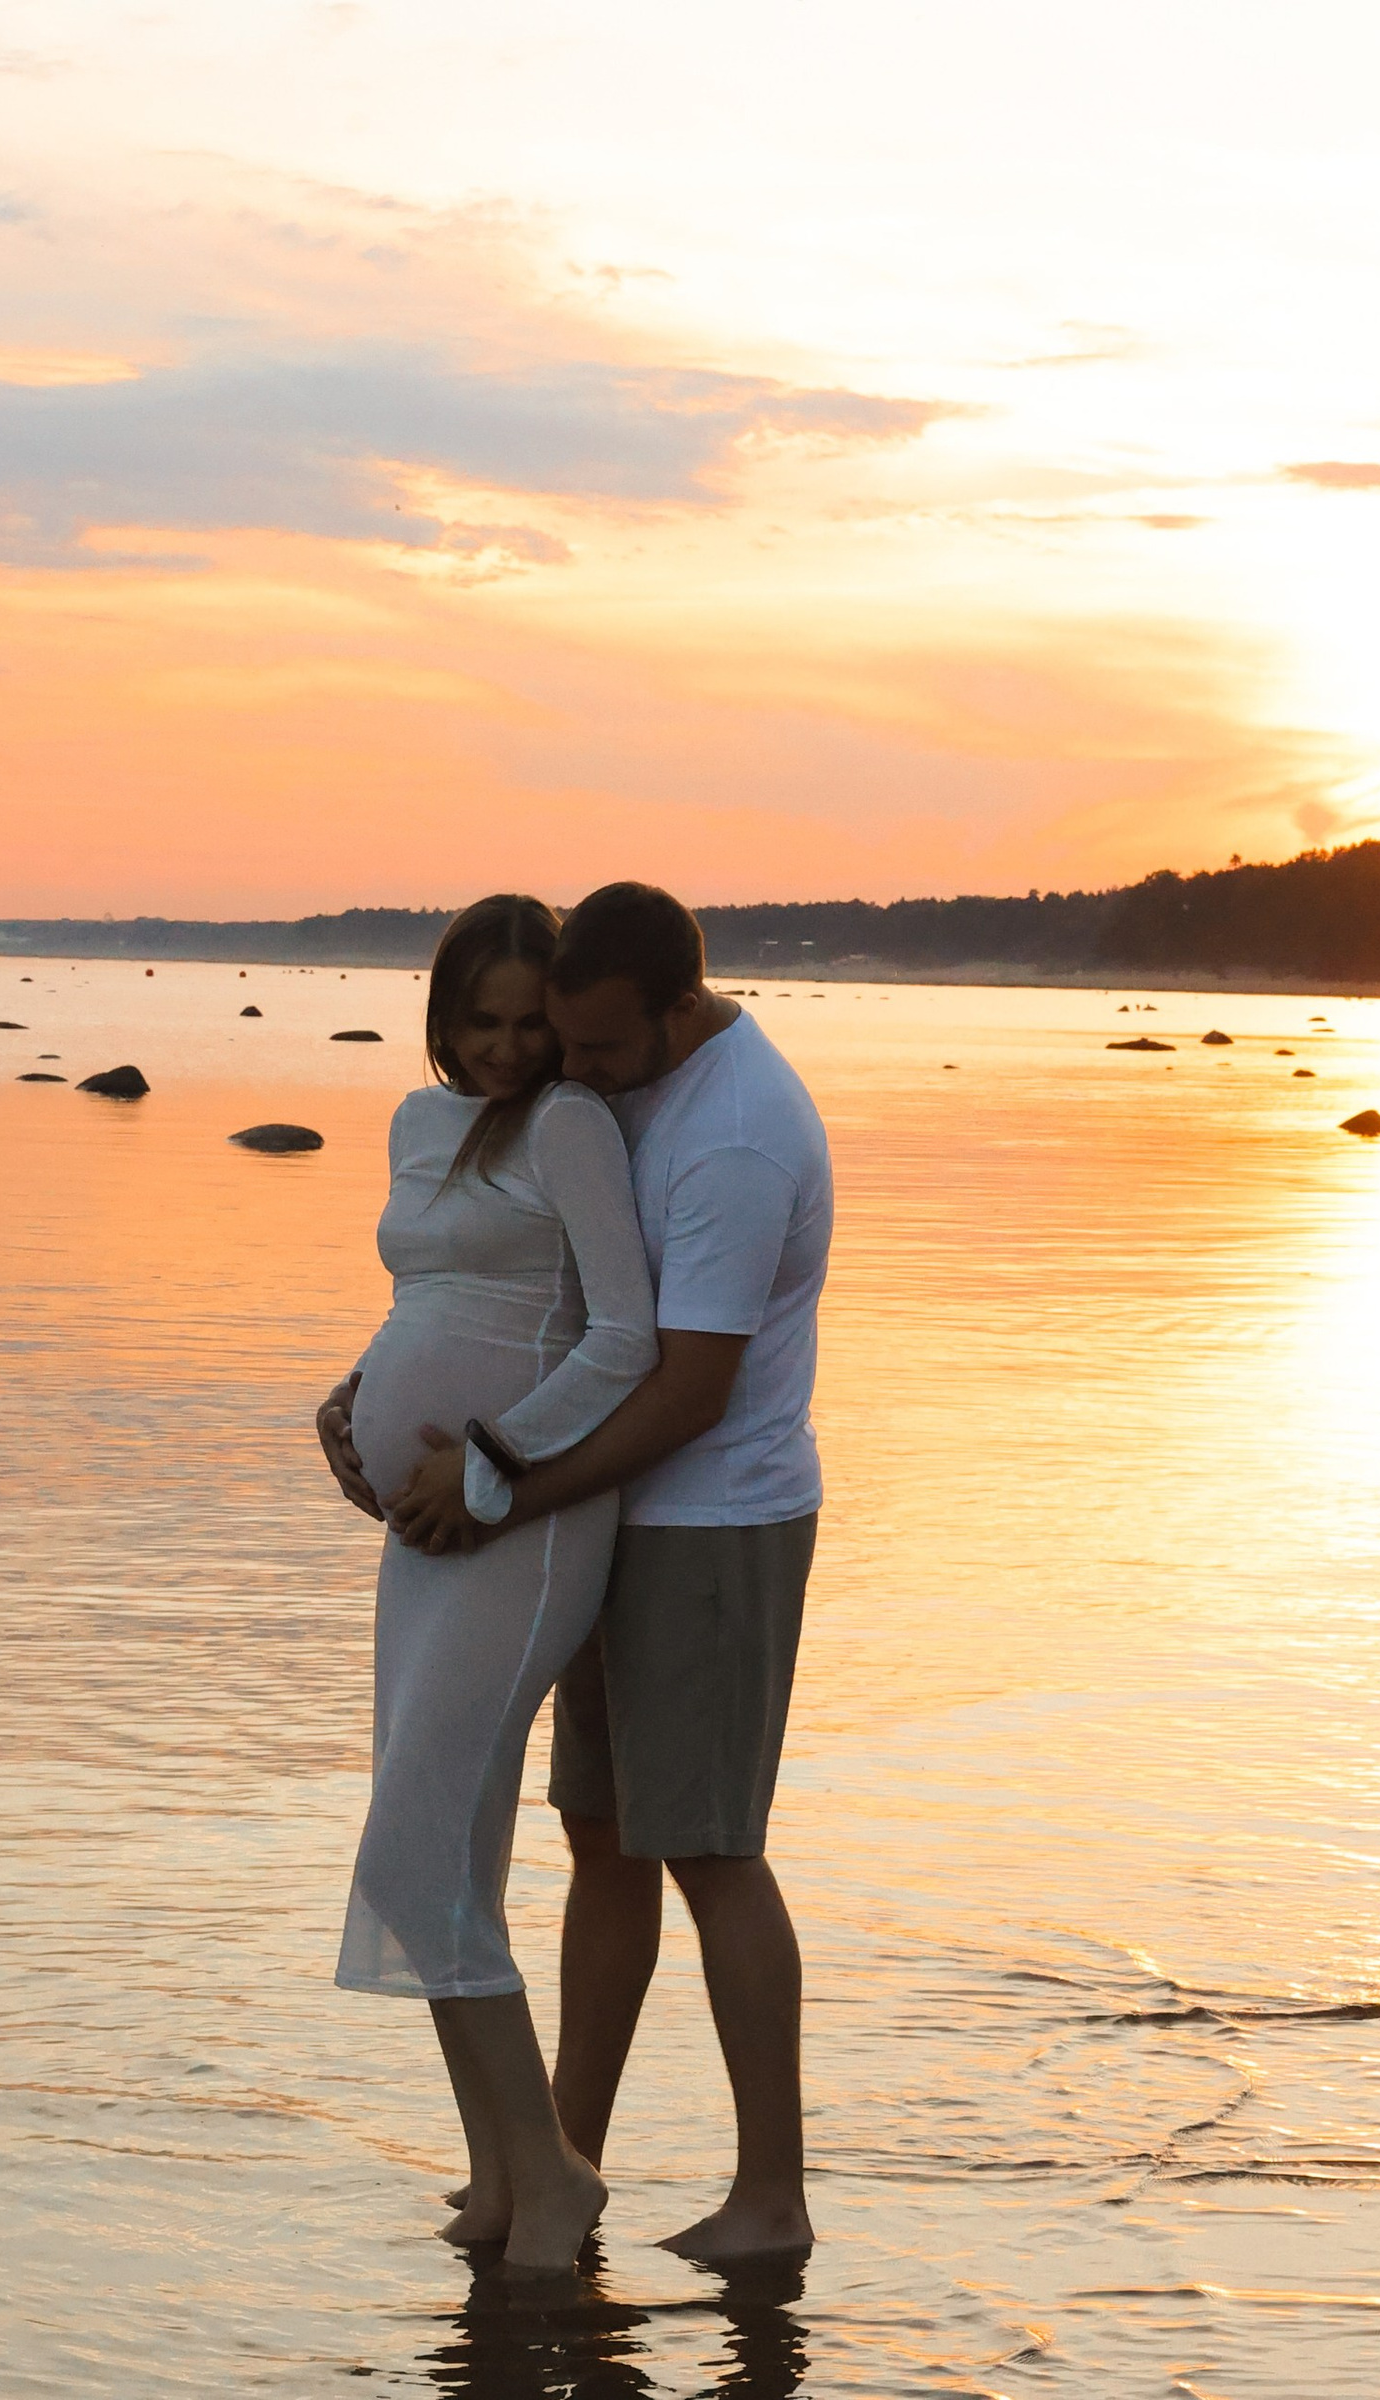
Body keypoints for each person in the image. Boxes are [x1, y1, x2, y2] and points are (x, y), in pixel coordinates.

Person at [374, 882, 834, 2268]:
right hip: (619, 1522)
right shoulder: (624, 1079)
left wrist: (497, 1482)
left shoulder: (735, 1136)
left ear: (678, 1009)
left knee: (710, 1851)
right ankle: (558, 2154)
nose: (567, 1069)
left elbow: (686, 1383)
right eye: (544, 1038)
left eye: (595, 1046)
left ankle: (772, 2196)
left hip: (712, 1524)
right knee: (603, 1844)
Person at [317, 892, 661, 2273]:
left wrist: (488, 1464)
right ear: (442, 1020)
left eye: (535, 1023)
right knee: (445, 1858)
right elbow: (428, 1295)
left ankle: (559, 2179)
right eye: (486, 1023)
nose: (514, 1049)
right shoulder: (416, 1124)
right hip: (422, 1530)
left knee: (414, 1849)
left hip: (522, 1524)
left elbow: (625, 1341)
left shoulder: (573, 1127)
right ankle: (503, 2172)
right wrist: (355, 1397)